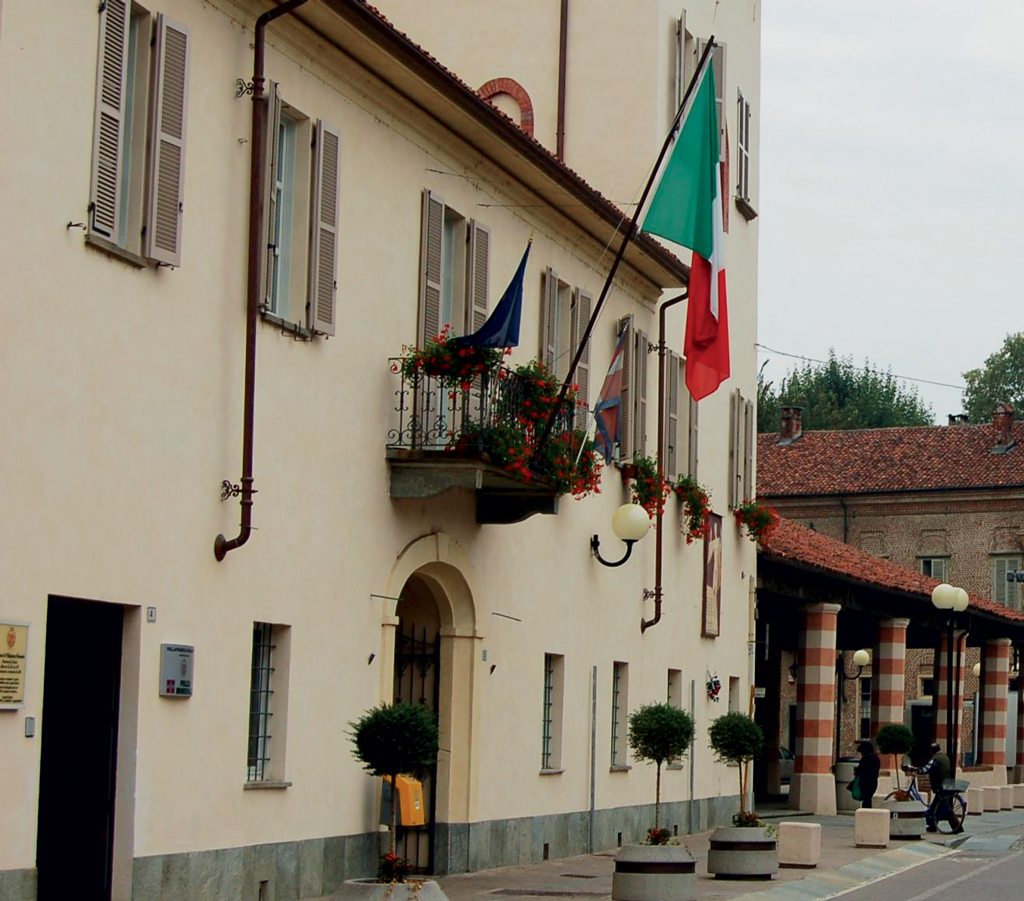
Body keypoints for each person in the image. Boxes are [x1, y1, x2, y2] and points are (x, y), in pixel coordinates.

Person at [911, 742, 962, 834]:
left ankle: (955, 826)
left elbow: (927, 768)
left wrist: (915, 770)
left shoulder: (935, 759)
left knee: (936, 808)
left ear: (932, 751)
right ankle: (934, 825)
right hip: (947, 785)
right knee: (939, 806)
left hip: (940, 786)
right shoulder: (945, 757)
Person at [854, 741, 880, 808]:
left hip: (865, 783)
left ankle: (865, 813)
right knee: (868, 798)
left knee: (866, 799)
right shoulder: (876, 759)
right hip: (873, 782)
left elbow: (859, 771)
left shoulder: (865, 759)